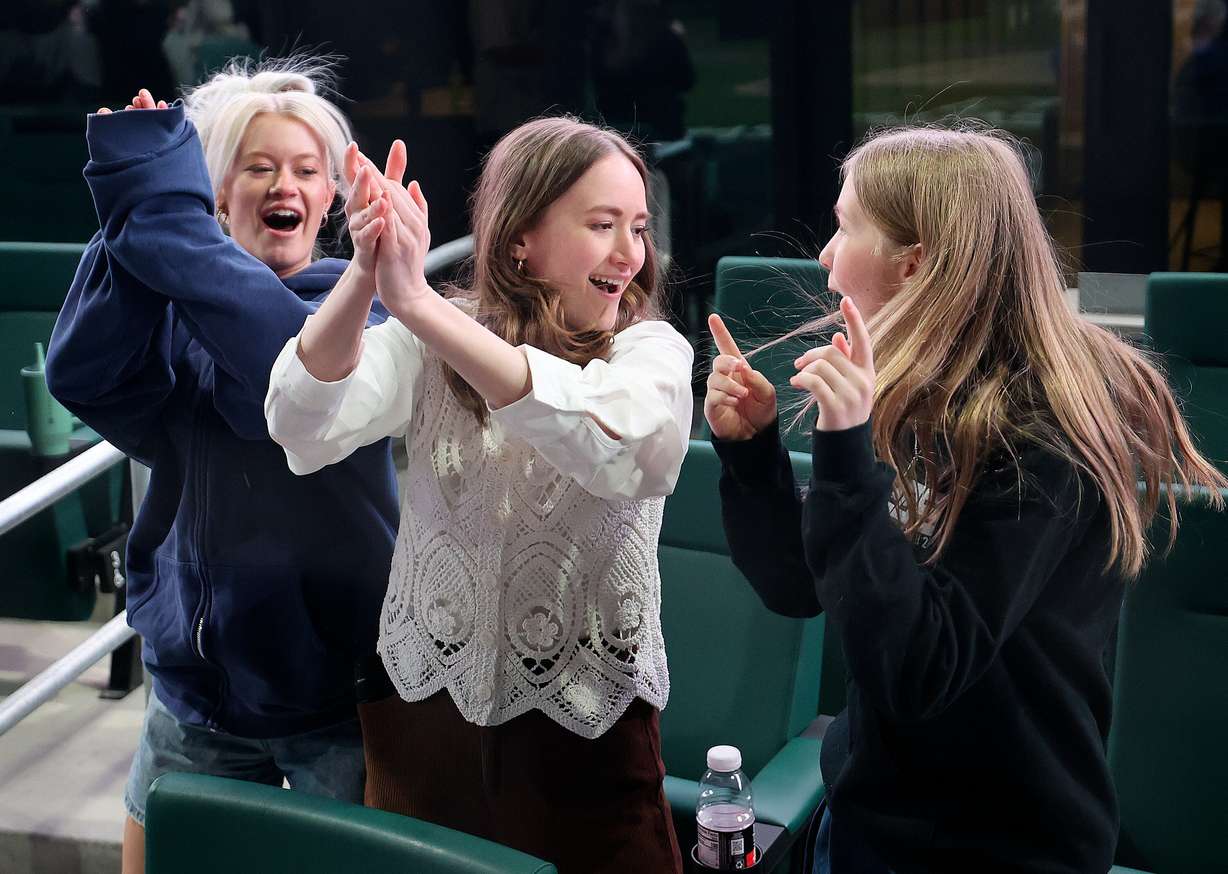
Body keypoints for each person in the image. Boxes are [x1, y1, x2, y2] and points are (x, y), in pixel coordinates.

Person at [703, 125, 1228, 873]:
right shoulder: (917, 393)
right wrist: (753, 456)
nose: (824, 254)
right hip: (873, 820)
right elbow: (803, 586)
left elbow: (920, 670)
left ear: (914, 266)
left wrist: (848, 455)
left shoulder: (1039, 435)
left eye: (845, 226)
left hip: (995, 847)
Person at [263, 115, 693, 873]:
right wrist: (369, 271)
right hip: (424, 708)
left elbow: (622, 448)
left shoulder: (649, 350)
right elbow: (301, 422)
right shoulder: (430, 343)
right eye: (602, 225)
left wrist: (419, 303)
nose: (630, 252)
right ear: (519, 238)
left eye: (638, 227)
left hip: (587, 723)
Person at [45, 59, 400, 874]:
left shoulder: (363, 308)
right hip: (194, 695)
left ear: (330, 198)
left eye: (308, 170)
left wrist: (156, 204)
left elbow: (275, 384)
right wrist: (140, 200)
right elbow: (86, 375)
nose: (288, 184)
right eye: (260, 166)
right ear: (216, 195)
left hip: (334, 701)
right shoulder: (179, 311)